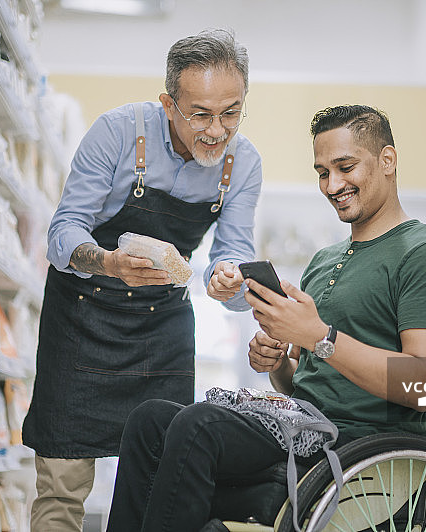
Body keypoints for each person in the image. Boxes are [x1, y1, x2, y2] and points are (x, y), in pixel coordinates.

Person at [105, 104, 426, 531]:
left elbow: (423, 386)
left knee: (197, 425)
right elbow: (307, 381)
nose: (333, 185)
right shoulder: (324, 261)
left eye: (345, 167)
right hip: (303, 428)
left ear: (387, 160)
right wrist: (279, 361)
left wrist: (319, 336)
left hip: (362, 449)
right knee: (149, 421)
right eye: (322, 172)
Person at [22, 29, 262, 531]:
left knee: (161, 482)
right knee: (63, 482)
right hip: (82, 316)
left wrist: (231, 282)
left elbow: (236, 258)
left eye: (232, 112)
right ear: (168, 104)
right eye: (201, 114)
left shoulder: (243, 165)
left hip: (162, 328)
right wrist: (109, 263)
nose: (218, 130)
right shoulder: (117, 132)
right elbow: (63, 231)